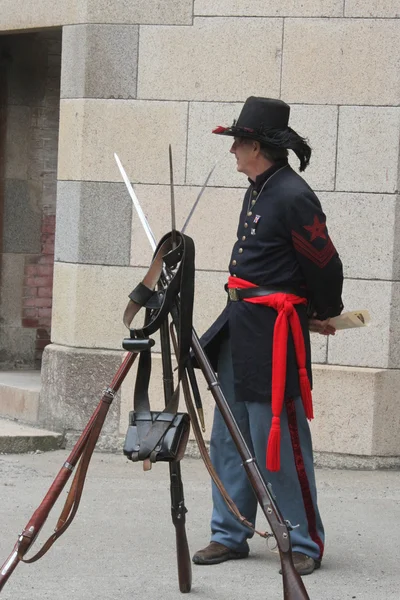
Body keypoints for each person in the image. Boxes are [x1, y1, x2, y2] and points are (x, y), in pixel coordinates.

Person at [192, 97, 344, 576]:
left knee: (278, 439)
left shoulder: (293, 194)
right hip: (242, 325)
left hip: (275, 334)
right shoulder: (258, 188)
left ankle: (303, 542)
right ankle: (230, 532)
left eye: (238, 142)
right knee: (230, 435)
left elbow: (324, 263)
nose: (233, 150)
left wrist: (321, 313)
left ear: (256, 146)